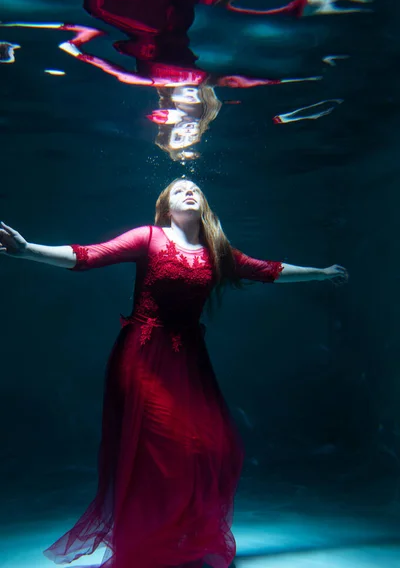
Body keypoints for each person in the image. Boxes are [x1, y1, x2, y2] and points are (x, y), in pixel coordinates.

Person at [0, 178, 348, 568]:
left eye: (196, 189)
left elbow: (267, 270)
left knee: (211, 447)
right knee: (164, 447)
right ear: (166, 206)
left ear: (204, 204)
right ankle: (148, 543)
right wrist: (27, 250)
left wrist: (319, 272)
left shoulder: (216, 252)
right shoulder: (147, 237)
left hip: (189, 362)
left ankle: (178, 535)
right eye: (180, 188)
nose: (189, 191)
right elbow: (87, 255)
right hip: (145, 356)